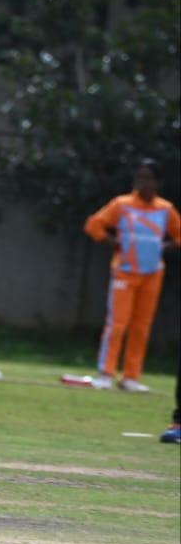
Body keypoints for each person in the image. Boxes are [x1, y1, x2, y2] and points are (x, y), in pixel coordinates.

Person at [83, 158, 180, 392]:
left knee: (141, 325)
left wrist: (165, 247)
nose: (142, 183)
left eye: (148, 178)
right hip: (125, 271)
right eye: (140, 177)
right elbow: (94, 225)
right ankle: (106, 373)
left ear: (157, 182)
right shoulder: (122, 204)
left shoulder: (165, 209)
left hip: (152, 272)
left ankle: (130, 376)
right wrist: (112, 241)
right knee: (117, 323)